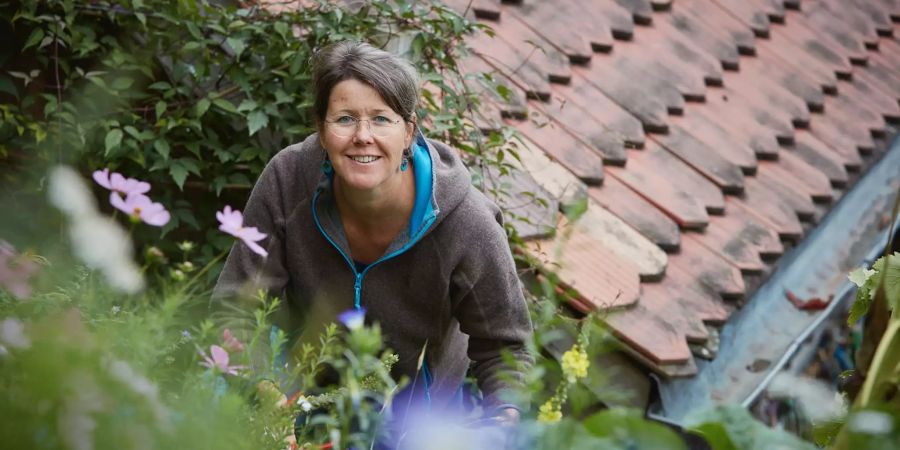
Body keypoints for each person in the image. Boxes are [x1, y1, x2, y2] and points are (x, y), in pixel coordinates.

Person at [213, 41, 533, 432]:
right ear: (321, 129)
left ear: (409, 132)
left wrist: (501, 425)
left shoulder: (466, 222)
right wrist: (265, 391)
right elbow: (235, 308)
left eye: (381, 119)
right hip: (295, 399)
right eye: (345, 119)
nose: (363, 136)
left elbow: (508, 349)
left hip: (412, 423)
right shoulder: (288, 179)